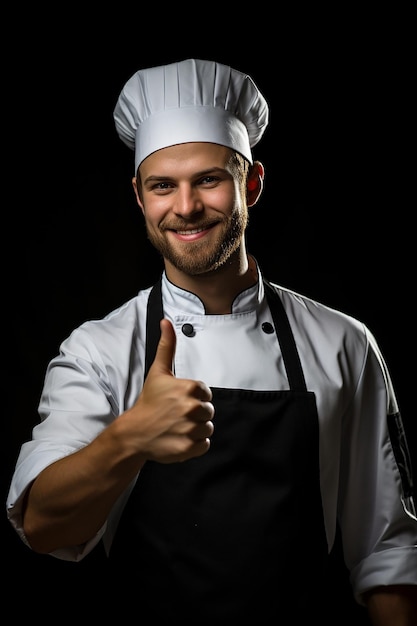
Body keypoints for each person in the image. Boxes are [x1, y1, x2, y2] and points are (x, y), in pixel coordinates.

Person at [6, 58, 417, 624]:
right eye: (162, 186)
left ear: (252, 182)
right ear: (138, 195)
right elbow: (42, 525)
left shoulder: (343, 343)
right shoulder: (99, 351)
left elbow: (389, 552)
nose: (185, 207)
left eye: (208, 179)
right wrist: (130, 438)